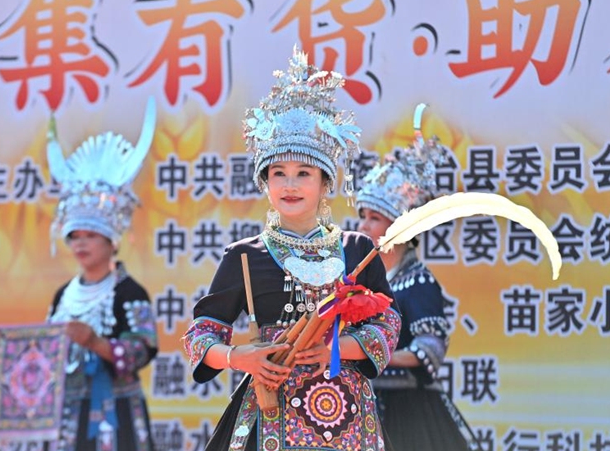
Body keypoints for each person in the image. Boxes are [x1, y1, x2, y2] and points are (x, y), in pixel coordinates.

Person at [182, 48, 401, 451]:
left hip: (348, 416)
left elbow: (388, 326)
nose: (290, 185)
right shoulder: (244, 256)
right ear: (265, 183)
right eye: (278, 174)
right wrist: (239, 358)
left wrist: (334, 349)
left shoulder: (357, 249)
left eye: (303, 173)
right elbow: (201, 335)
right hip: (271, 411)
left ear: (324, 182)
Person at [355, 127, 482, 451]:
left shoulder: (418, 281)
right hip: (360, 404)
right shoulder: (357, 283)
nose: (363, 226)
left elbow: (431, 348)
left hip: (407, 409)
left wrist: (376, 353)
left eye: (374, 218)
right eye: (363, 217)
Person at [46, 99, 159, 451]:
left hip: (116, 412)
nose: (81, 244)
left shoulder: (130, 292)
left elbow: (144, 348)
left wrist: (96, 343)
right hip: (66, 414)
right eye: (75, 237)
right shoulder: (63, 294)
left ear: (112, 241)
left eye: (90, 235)